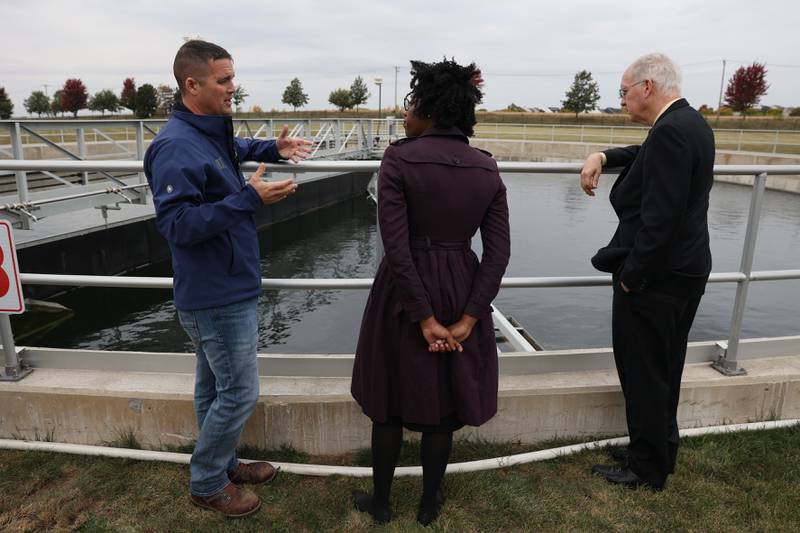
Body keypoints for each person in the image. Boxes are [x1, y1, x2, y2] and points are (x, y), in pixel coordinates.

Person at [144, 40, 311, 517]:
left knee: (212, 389)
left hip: (222, 284)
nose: (233, 88)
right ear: (191, 84)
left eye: (233, 78)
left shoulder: (204, 132)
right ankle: (207, 481)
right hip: (215, 292)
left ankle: (223, 462)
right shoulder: (176, 145)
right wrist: (249, 200)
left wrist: (271, 147)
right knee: (240, 392)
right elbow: (176, 226)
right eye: (224, 80)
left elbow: (230, 150)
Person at [350, 59, 510, 525]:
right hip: (462, 282)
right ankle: (427, 505)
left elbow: (396, 247)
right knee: (442, 405)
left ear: (431, 107)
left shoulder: (399, 158)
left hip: (404, 289)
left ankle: (381, 504)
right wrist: (469, 318)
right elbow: (498, 252)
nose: (405, 114)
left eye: (411, 103)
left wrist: (422, 317)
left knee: (388, 401)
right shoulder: (487, 168)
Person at [580, 53, 715, 491]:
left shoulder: (673, 131)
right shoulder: (687, 124)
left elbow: (661, 220)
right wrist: (603, 154)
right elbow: (646, 154)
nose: (621, 99)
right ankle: (655, 448)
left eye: (623, 90)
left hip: (657, 278)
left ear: (648, 87)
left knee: (644, 371)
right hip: (684, 272)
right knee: (665, 366)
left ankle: (646, 469)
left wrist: (630, 276)